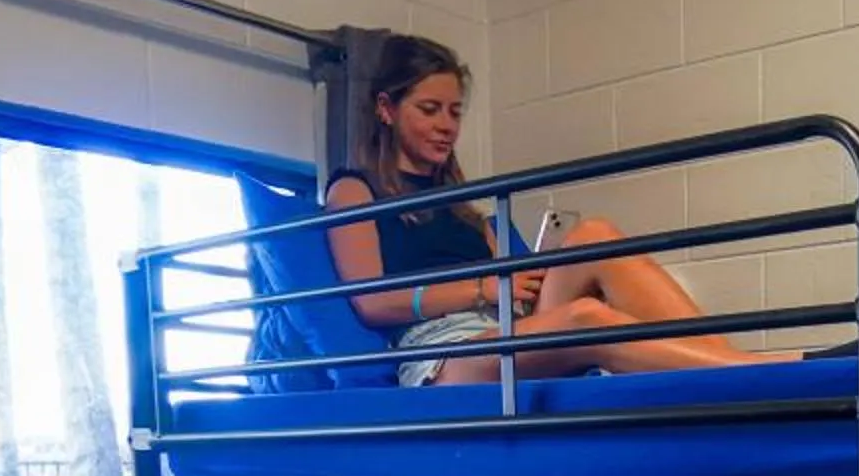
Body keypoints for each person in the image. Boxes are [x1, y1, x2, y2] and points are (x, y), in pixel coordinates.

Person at [325, 34, 817, 386]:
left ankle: (738, 366)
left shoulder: (463, 205)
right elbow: (372, 303)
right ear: (387, 110)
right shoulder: (354, 190)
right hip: (444, 353)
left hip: (507, 327)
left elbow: (509, 291)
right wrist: (481, 288)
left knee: (595, 234)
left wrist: (523, 280)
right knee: (585, 316)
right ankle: (777, 372)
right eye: (429, 110)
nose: (447, 125)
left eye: (455, 112)